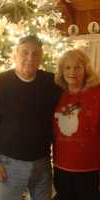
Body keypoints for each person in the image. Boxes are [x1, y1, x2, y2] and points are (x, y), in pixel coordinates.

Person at [0, 35, 61, 200]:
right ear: (15, 55)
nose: (30, 58)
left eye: (35, 54)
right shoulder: (0, 83)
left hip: (42, 163)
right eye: (25, 53)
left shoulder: (50, 82)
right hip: (9, 164)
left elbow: (76, 88)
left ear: (41, 58)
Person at [53, 49, 100, 200]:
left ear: (86, 69)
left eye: (77, 67)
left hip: (89, 167)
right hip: (61, 165)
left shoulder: (97, 93)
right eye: (67, 67)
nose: (72, 72)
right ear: (61, 71)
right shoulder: (58, 93)